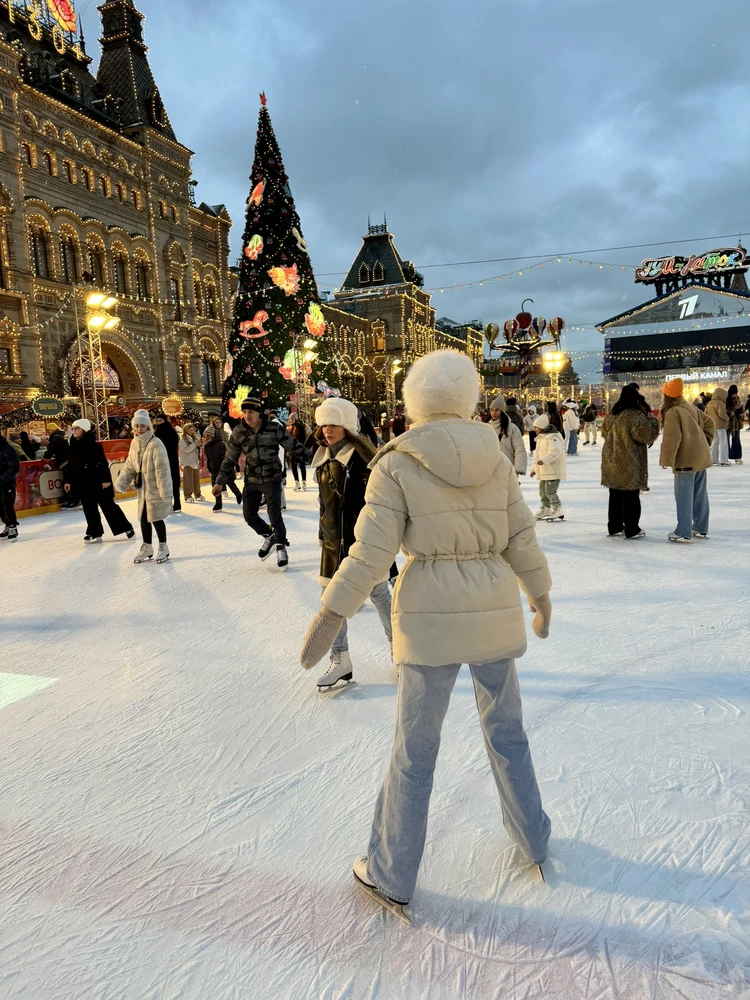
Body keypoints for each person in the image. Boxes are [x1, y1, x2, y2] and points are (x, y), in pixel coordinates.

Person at [299, 350, 552, 920]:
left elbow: (370, 554)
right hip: (491, 608)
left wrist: (332, 611)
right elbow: (521, 538)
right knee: (508, 732)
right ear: (468, 399)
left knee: (414, 750)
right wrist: (539, 594)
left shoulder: (396, 464)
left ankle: (391, 871)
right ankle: (534, 837)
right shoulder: (495, 458)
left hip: (429, 615)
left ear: (416, 403)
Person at [311, 397, 393, 689]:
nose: (328, 430)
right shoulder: (322, 457)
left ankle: (401, 651)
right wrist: (324, 534)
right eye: (324, 424)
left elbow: (379, 505)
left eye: (334, 424)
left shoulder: (362, 461)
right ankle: (340, 659)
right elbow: (325, 503)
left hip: (362, 544)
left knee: (380, 595)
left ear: (347, 426)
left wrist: (380, 544)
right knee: (331, 602)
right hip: (333, 545)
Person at [213, 396, 308, 569]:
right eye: (245, 412)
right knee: (249, 515)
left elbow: (293, 446)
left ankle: (281, 547)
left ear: (259, 413)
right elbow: (229, 459)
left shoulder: (273, 428)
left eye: (252, 412)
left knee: (274, 513)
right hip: (252, 478)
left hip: (272, 477)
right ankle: (269, 535)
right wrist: (219, 482)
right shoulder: (239, 432)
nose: (248, 415)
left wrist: (315, 459)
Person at [659, 378, 714, 543]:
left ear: (667, 395)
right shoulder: (691, 407)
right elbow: (710, 423)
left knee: (684, 496)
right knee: (699, 494)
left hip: (686, 460)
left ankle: (683, 531)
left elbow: (672, 439)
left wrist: (666, 459)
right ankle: (700, 526)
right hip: (700, 457)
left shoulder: (673, 412)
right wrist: (704, 442)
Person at [600, 386, 659, 539]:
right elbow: (646, 435)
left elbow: (605, 433)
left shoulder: (612, 415)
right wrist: (653, 421)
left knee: (615, 494)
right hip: (629, 460)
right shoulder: (634, 415)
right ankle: (632, 528)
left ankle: (614, 526)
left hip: (611, 459)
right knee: (631, 494)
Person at [116, 410, 172, 563]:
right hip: (143, 489)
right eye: (136, 426)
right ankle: (147, 547)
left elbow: (162, 469)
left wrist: (165, 491)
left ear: (148, 427)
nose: (138, 429)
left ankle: (163, 547)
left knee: (156, 517)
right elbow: (129, 465)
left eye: (142, 426)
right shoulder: (134, 443)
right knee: (143, 518)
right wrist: (122, 482)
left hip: (155, 488)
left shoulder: (156, 443)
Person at [67, 418, 134, 543]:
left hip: (98, 482)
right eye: (73, 428)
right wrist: (69, 481)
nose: (74, 431)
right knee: (89, 508)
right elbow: (71, 467)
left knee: (108, 506)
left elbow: (102, 464)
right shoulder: (73, 447)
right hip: (83, 483)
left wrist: (105, 480)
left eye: (77, 428)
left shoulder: (94, 446)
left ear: (84, 430)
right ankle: (94, 531)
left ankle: (126, 527)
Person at [530, 413, 566, 521]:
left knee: (550, 491)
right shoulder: (541, 438)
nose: (534, 429)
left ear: (542, 426)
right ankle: (546, 508)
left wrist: (544, 460)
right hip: (544, 471)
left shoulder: (552, 437)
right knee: (542, 492)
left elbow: (555, 452)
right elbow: (537, 456)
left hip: (553, 470)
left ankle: (557, 509)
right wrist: (534, 469)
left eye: (536, 427)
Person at [203, 424, 241, 512]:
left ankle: (238, 494)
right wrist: (209, 467)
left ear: (212, 435)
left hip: (223, 468)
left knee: (230, 483)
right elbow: (209, 459)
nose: (206, 437)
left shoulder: (220, 445)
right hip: (214, 469)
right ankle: (218, 503)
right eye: (205, 435)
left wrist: (225, 469)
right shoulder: (207, 447)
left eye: (208, 435)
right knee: (215, 485)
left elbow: (224, 457)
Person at [489, 395, 527, 475]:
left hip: (508, 468)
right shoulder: (487, 427)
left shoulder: (512, 428)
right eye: (492, 410)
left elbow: (519, 448)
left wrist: (519, 468)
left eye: (497, 410)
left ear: (502, 411)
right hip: (491, 468)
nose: (494, 413)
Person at [153, 415, 182, 513]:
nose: (158, 422)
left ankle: (177, 502)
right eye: (157, 420)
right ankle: (166, 503)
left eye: (160, 420)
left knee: (173, 481)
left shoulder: (171, 431)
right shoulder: (155, 432)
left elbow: (174, 445)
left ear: (165, 420)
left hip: (171, 459)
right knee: (163, 481)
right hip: (160, 460)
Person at [0, 432, 20, 541]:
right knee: (0, 506)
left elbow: (14, 467)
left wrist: (3, 478)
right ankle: (7, 524)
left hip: (7, 482)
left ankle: (13, 526)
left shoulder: (8, 449)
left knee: (7, 504)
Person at [178, 423, 204, 503]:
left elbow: (198, 448)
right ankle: (187, 495)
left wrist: (200, 444)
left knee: (196, 479)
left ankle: (198, 494)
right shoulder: (182, 439)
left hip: (195, 461)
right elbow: (186, 450)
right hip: (187, 462)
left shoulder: (194, 438)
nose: (192, 431)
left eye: (193, 430)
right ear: (186, 430)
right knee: (188, 480)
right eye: (190, 430)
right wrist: (195, 444)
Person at [705, 387, 729, 466]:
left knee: (715, 442)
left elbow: (706, 414)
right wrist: (727, 419)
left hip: (713, 425)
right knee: (723, 442)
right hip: (721, 424)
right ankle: (724, 460)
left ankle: (714, 459)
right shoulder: (720, 403)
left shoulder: (709, 403)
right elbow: (722, 414)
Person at [287, 415, 309, 491]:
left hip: (299, 449)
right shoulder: (291, 427)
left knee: (301, 465)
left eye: (292, 419)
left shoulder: (300, 427)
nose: (290, 421)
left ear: (295, 419)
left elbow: (303, 438)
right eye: (290, 419)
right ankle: (297, 482)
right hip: (293, 449)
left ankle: (303, 482)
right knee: (293, 466)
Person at [726, 384, 744, 465]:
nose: (734, 395)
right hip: (728, 422)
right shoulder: (726, 398)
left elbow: (740, 411)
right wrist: (733, 409)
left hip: (736, 422)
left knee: (736, 439)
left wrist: (740, 408)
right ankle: (726, 456)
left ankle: (737, 456)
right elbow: (726, 410)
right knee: (726, 441)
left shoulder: (737, 397)